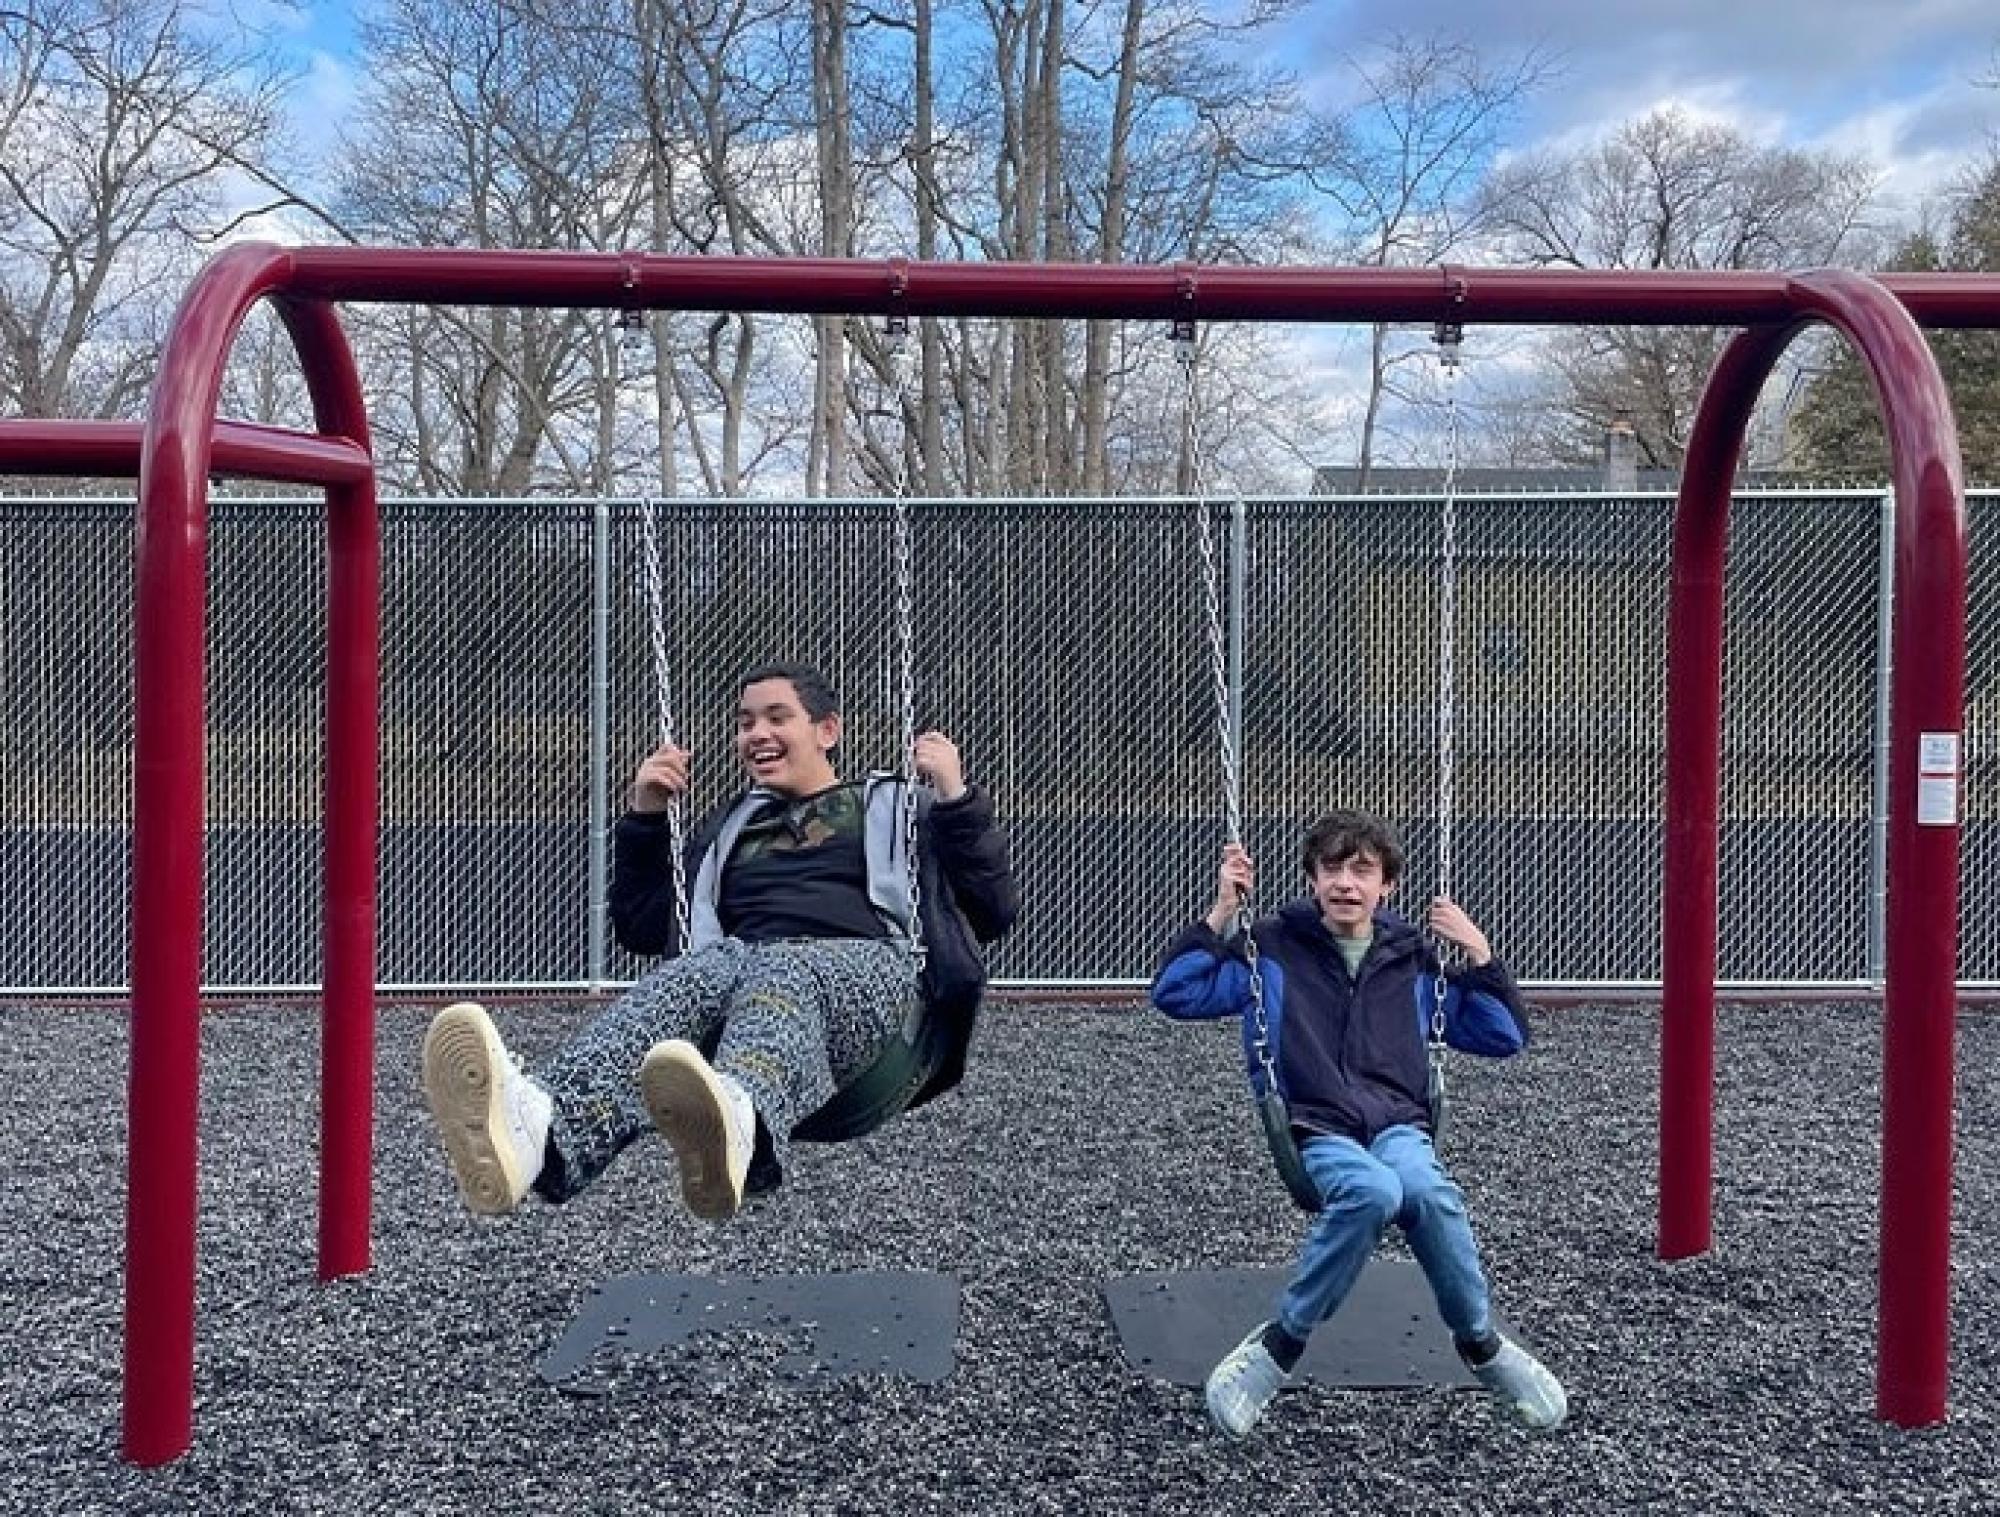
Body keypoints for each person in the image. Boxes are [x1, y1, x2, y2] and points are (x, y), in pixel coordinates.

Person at [422, 661, 1019, 1223]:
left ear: (827, 729)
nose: (757, 734)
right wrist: (645, 816)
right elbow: (640, 927)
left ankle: (743, 1117)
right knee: (691, 975)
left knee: (781, 961)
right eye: (744, 722)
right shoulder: (728, 830)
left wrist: (957, 801)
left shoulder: (893, 808)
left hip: (879, 991)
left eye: (777, 717)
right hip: (751, 982)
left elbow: (993, 912)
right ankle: (543, 1133)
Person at [1150, 808, 1566, 1439]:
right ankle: (1276, 1352)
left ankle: (1483, 1346)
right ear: (1312, 879)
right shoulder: (1274, 948)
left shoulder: (1412, 959)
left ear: (1386, 886)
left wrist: (1478, 952)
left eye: (1362, 871)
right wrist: (1220, 914)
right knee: (1373, 1193)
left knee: (1426, 1192)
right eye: (1332, 869)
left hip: (1398, 1124)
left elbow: (1502, 1035)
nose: (1346, 883)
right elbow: (1175, 994)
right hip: (1318, 1127)